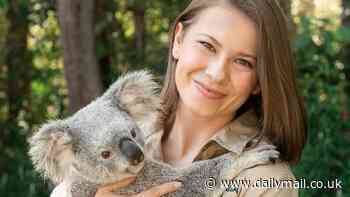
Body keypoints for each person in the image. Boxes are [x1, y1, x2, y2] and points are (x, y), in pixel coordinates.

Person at [95, 0, 308, 196]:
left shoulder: (266, 183)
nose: (217, 74)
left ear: (259, 82)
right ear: (178, 40)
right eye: (207, 46)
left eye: (243, 62)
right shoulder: (113, 137)